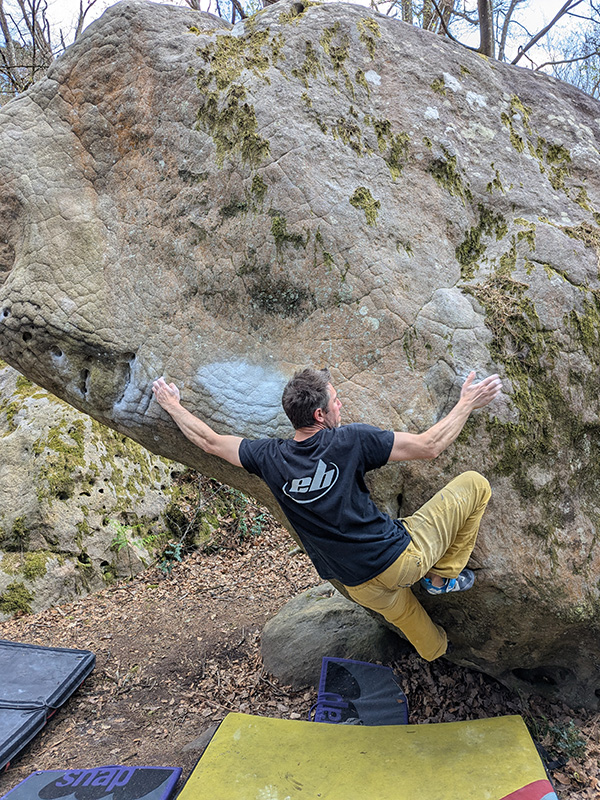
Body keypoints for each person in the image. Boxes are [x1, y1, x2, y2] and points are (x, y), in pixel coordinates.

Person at [151, 367, 502, 661]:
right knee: (475, 484)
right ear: (320, 415)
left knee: (412, 620)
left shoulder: (268, 457)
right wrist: (466, 403)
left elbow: (210, 441)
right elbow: (429, 446)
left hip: (357, 584)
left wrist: (172, 405)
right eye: (335, 400)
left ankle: (437, 652)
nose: (340, 404)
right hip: (399, 559)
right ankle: (441, 578)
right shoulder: (350, 440)